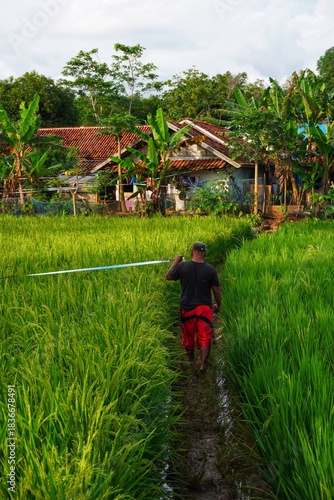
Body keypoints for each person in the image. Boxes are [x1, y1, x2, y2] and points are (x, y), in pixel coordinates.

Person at [166, 241, 221, 372]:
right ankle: (202, 365)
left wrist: (176, 261)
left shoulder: (183, 266)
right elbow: (217, 291)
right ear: (205, 254)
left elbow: (168, 276)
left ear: (192, 252)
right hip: (204, 309)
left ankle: (191, 361)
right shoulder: (211, 270)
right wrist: (218, 305)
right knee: (205, 337)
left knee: (188, 337)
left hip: (187, 308)